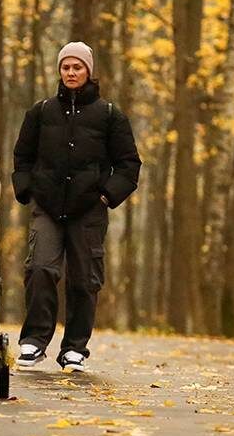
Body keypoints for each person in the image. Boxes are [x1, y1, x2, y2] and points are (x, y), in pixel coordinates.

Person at [11, 41, 141, 373]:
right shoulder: (40, 112)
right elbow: (22, 156)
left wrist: (106, 196)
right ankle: (34, 342)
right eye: (66, 67)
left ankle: (74, 348)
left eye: (77, 67)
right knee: (40, 268)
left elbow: (128, 165)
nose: (71, 72)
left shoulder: (109, 115)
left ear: (89, 71)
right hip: (48, 207)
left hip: (89, 210)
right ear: (59, 71)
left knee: (84, 280)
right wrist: (27, 190)